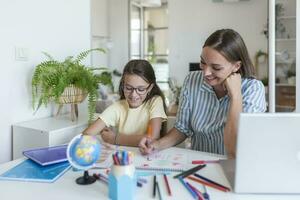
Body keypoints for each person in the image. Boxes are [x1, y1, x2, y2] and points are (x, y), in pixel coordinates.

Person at [139, 29, 266, 158]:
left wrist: (236, 96)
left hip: (234, 167)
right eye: (203, 63)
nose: (206, 73)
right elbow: (182, 128)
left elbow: (236, 147)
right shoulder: (192, 79)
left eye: (216, 68)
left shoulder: (253, 89)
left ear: (236, 66)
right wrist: (156, 144)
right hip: (198, 165)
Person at [83, 59, 167, 147]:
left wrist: (115, 139)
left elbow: (153, 138)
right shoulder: (119, 106)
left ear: (150, 88)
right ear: (123, 85)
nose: (134, 95)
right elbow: (87, 134)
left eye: (141, 89)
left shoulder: (155, 101)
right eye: (128, 88)